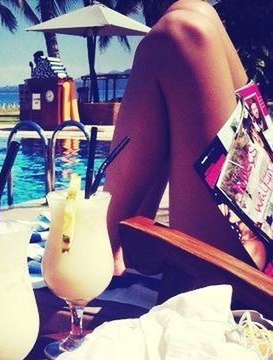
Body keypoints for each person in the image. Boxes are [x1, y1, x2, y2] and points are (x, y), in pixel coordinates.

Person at [103, 0, 265, 274]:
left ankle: (100, 243)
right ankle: (113, 238)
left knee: (181, 32)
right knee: (196, 13)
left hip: (256, 276)